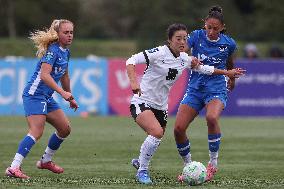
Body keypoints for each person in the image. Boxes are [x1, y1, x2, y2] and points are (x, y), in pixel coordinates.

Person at [126, 23, 244, 184]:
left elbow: (205, 69)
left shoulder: (185, 59)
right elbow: (131, 60)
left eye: (185, 38)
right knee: (156, 133)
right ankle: (142, 171)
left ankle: (141, 161)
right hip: (142, 101)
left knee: (156, 136)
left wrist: (227, 73)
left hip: (161, 107)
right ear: (169, 40)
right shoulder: (159, 52)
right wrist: (134, 82)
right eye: (178, 38)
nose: (182, 42)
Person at [174, 5, 242, 182]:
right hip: (195, 88)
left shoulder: (228, 43)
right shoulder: (196, 36)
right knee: (178, 129)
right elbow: (182, 50)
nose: (211, 31)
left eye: (215, 29)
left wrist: (232, 79)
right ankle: (188, 167)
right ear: (204, 24)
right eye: (208, 27)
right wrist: (186, 56)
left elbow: (228, 59)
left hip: (216, 88)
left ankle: (212, 164)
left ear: (222, 28)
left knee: (212, 118)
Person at [5, 19, 78, 179]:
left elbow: (64, 74)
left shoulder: (66, 52)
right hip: (34, 94)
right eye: (66, 32)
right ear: (58, 34)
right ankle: (13, 167)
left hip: (46, 97)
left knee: (65, 128)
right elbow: (45, 75)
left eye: (71, 32)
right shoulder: (52, 51)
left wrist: (69, 95)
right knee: (37, 131)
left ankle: (46, 161)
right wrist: (61, 93)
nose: (70, 35)